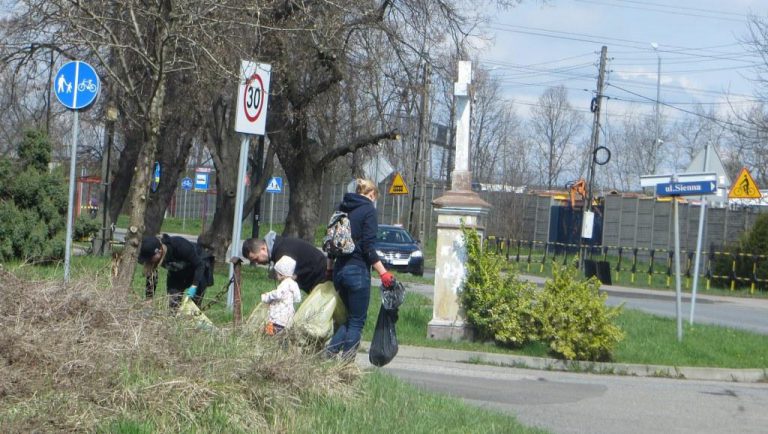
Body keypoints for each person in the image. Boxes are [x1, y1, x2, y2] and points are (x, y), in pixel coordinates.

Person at [326, 178, 395, 360]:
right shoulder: (368, 210)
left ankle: (329, 353)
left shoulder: (341, 208)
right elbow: (368, 248)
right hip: (357, 271)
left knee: (348, 319)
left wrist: (330, 269)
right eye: (374, 197)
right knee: (357, 321)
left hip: (339, 272)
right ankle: (347, 365)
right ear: (371, 195)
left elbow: (331, 243)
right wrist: (383, 273)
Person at [138, 234, 214, 309]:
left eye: (150, 258)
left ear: (159, 251)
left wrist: (194, 285)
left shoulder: (180, 245)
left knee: (192, 306)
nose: (148, 261)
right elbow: (151, 278)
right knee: (173, 302)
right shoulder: (153, 258)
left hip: (199, 266)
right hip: (178, 271)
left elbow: (200, 265)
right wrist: (149, 298)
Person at [242, 232, 329, 293]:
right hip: (319, 274)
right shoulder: (280, 244)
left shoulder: (282, 254)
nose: (257, 263)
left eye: (256, 259)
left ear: (263, 248)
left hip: (322, 277)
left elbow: (287, 284)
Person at [260, 255, 302, 335]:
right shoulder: (294, 284)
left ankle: (267, 342)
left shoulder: (284, 284)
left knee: (269, 334)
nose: (276, 276)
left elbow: (277, 294)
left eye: (277, 274)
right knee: (283, 337)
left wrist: (266, 296)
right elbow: (298, 298)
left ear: (282, 274)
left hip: (277, 318)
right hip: (288, 319)